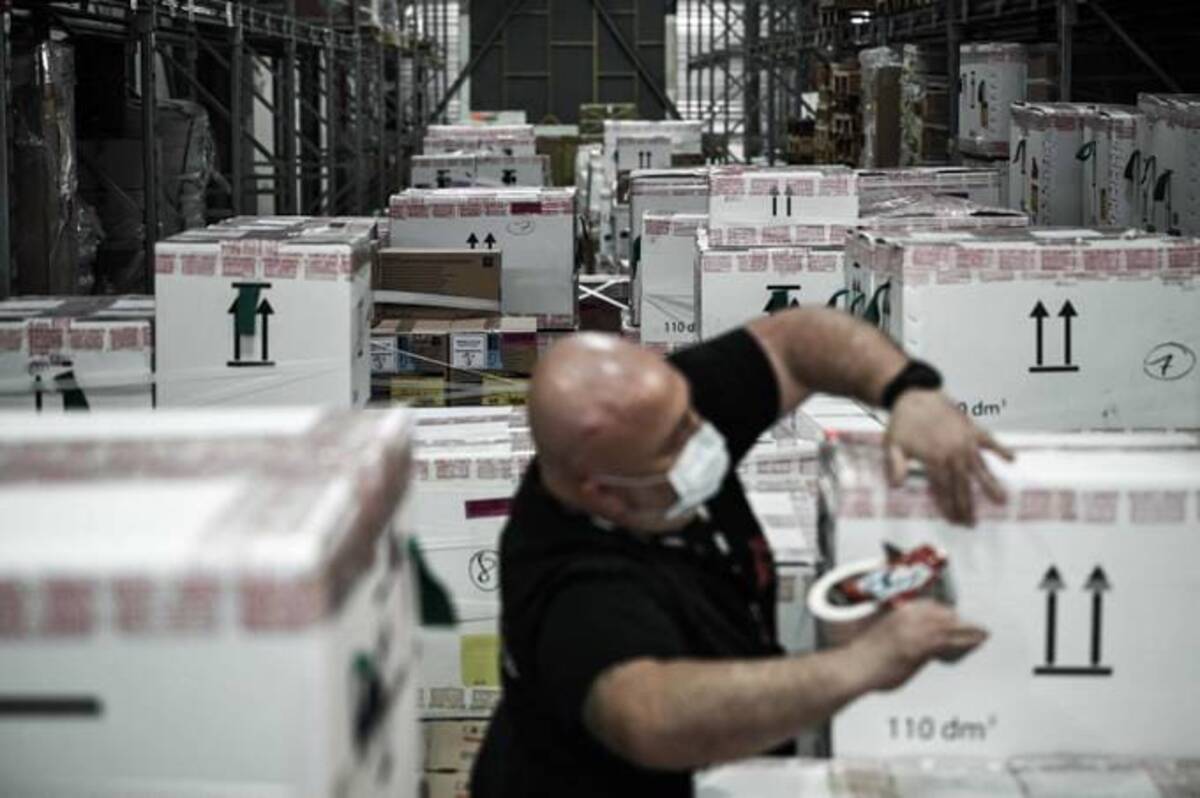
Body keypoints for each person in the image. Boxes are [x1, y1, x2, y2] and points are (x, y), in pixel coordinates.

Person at [470, 306, 1011, 798]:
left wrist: (910, 390)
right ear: (604, 492)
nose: (705, 435)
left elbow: (797, 339)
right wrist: (862, 664)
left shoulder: (665, 411)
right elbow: (653, 717)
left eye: (691, 414)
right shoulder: (576, 587)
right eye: (673, 444)